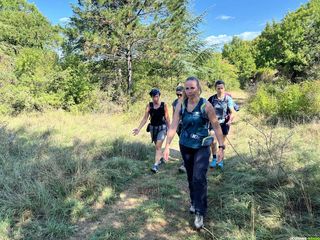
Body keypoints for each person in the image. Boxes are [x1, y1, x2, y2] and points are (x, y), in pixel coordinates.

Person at [163, 77, 225, 229]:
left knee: (199, 177)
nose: (189, 91)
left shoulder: (206, 105)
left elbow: (216, 126)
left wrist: (221, 147)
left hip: (202, 146)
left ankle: (200, 211)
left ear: (198, 88)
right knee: (191, 177)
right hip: (185, 145)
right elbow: (173, 126)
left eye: (192, 88)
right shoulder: (181, 105)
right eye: (187, 88)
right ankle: (193, 201)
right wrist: (167, 146)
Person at [133, 88, 170, 173]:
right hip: (153, 128)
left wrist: (169, 129)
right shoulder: (149, 106)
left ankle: (155, 165)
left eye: (157, 96)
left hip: (162, 128)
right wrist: (138, 129)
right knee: (157, 146)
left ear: (159, 96)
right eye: (153, 97)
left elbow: (167, 118)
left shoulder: (164, 105)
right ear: (151, 97)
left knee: (158, 147)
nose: (155, 99)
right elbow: (145, 118)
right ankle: (160, 159)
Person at [208, 80, 236, 170]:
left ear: (224, 88)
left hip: (224, 123)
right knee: (213, 141)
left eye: (222, 88)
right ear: (215, 88)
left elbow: (232, 112)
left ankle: (221, 160)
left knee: (221, 143)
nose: (220, 90)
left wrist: (230, 121)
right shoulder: (211, 99)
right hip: (213, 123)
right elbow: (206, 111)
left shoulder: (228, 99)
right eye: (218, 88)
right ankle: (214, 158)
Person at [172, 85, 186, 173]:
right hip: (179, 126)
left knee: (186, 143)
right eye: (177, 95)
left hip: (188, 126)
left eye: (181, 94)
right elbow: (174, 115)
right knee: (182, 143)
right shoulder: (175, 103)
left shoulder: (188, 102)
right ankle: (185, 160)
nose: (179, 96)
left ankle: (185, 163)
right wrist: (174, 126)